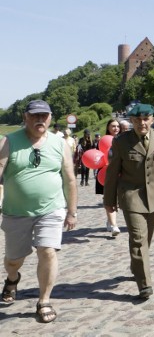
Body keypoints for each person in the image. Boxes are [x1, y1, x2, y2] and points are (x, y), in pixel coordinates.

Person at [0, 100, 78, 323]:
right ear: (25, 117)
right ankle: (12, 278)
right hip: (16, 212)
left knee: (47, 251)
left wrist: (72, 211)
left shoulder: (59, 143)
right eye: (34, 116)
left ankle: (43, 301)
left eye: (44, 116)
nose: (39, 120)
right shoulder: (9, 141)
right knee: (14, 259)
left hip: (51, 209)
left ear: (50, 118)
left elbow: (70, 179)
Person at [103, 103, 154, 299]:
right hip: (131, 196)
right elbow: (112, 174)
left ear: (152, 119)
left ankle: (137, 266)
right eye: (137, 119)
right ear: (131, 121)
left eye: (146, 119)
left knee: (146, 239)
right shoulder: (121, 142)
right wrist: (109, 200)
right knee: (139, 240)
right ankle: (144, 285)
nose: (142, 123)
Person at [97, 119, 121, 236]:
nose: (116, 128)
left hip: (122, 174)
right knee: (109, 199)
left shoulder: (123, 139)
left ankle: (110, 221)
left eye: (117, 126)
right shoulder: (103, 140)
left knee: (118, 200)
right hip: (106, 173)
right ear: (108, 127)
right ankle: (114, 225)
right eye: (113, 126)